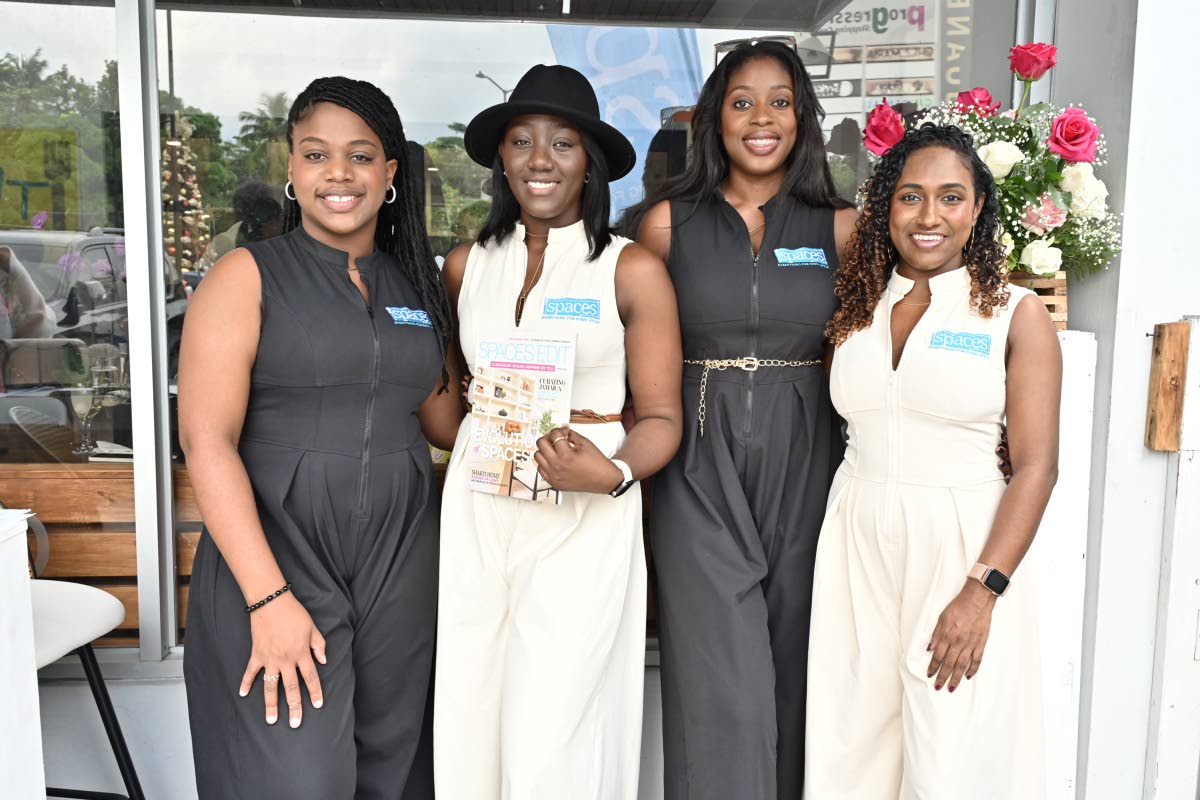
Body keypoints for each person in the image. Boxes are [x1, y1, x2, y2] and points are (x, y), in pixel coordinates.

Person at [179, 76, 461, 799]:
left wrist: (551, 407)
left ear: (390, 174)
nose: (339, 173)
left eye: (361, 156)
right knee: (296, 780)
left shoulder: (418, 288)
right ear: (293, 170)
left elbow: (445, 424)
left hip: (402, 564)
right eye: (316, 154)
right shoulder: (246, 276)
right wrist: (266, 599)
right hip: (278, 558)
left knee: (393, 774)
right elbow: (206, 441)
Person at [433, 64, 683, 799]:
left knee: (557, 720)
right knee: (473, 701)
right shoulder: (464, 266)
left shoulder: (629, 269)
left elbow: (664, 416)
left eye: (563, 143)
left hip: (585, 505)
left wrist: (612, 473)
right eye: (521, 141)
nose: (540, 160)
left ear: (590, 162)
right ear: (500, 158)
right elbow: (447, 407)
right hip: (481, 498)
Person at [805, 124, 1061, 798]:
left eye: (951, 198)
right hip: (855, 540)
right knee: (849, 749)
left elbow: (1036, 467)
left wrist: (983, 591)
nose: (928, 217)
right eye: (911, 196)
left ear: (978, 208)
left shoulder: (1014, 313)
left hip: (959, 545)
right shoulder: (854, 312)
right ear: (885, 206)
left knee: (951, 758)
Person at [631, 40, 856, 799]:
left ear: (803, 118)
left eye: (781, 101)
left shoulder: (844, 229)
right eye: (742, 102)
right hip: (697, 455)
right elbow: (626, 345)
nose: (762, 118)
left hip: (810, 454)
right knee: (718, 673)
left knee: (795, 664)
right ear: (713, 121)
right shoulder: (666, 224)